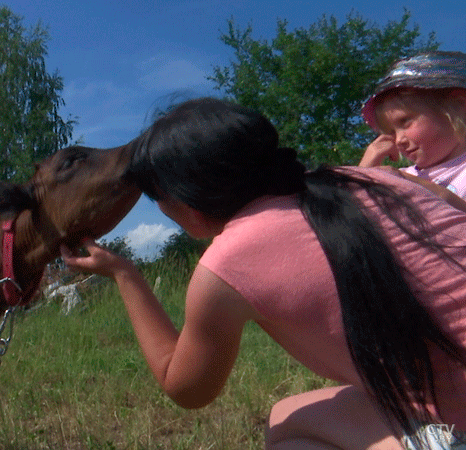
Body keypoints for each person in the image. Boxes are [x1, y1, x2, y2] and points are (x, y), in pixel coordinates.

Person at [61, 98, 466, 449]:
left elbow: (185, 387)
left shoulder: (225, 266)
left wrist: (125, 275)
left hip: (456, 424)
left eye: (158, 200)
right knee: (297, 411)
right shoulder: (371, 177)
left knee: (289, 428)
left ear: (186, 206)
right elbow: (451, 203)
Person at [359, 51, 466, 198]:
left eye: (405, 121)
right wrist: (363, 173)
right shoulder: (399, 176)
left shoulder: (400, 179)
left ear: (459, 106)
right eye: (391, 132)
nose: (398, 140)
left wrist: (409, 183)